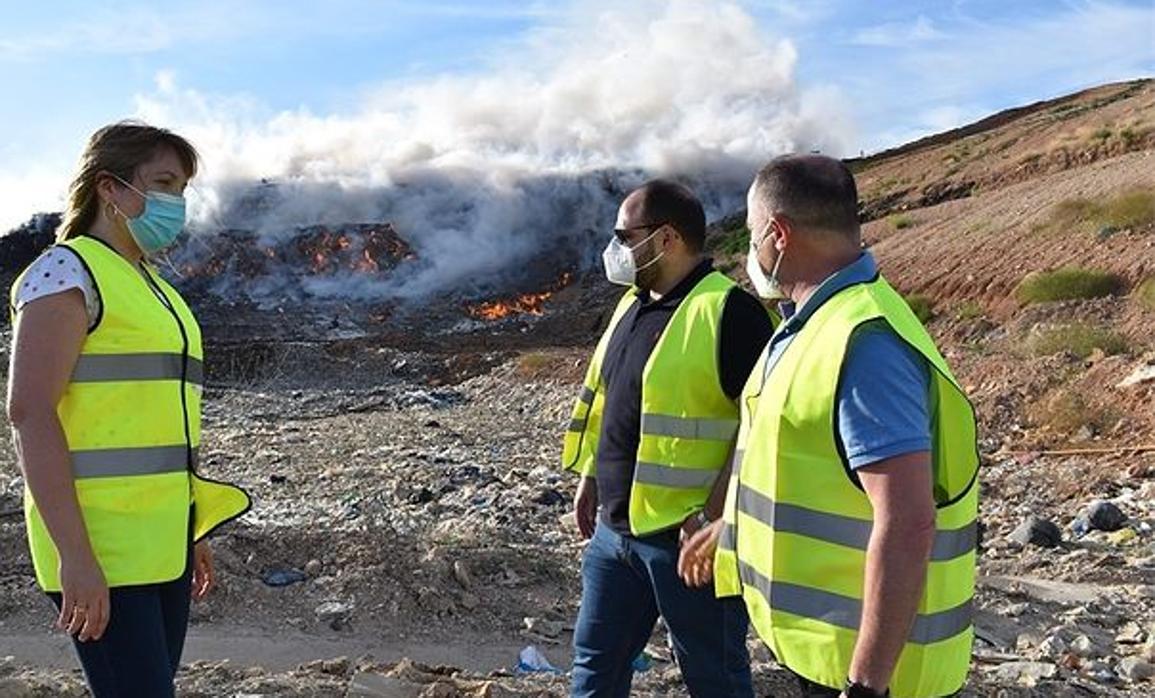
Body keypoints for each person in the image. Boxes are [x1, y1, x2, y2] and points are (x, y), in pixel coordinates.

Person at [678, 154, 979, 698]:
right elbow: (800, 463)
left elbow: (908, 520)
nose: (750, 251)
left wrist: (865, 685)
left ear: (778, 234)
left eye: (751, 234)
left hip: (875, 674)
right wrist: (734, 527)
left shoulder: (865, 342)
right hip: (821, 649)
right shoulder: (807, 325)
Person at [6, 122, 251, 697]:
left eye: (183, 189)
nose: (176, 203)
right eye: (163, 183)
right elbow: (30, 413)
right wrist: (76, 559)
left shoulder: (151, 285)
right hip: (102, 548)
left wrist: (190, 528)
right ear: (109, 189)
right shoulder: (66, 273)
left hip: (160, 545)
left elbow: (158, 424)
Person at [561, 179, 775, 697]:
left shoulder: (730, 313)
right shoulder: (631, 305)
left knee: (713, 677)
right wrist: (591, 477)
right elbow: (615, 402)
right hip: (615, 536)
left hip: (687, 540)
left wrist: (716, 518)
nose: (615, 248)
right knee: (595, 668)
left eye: (623, 235)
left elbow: (762, 429)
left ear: (666, 238)